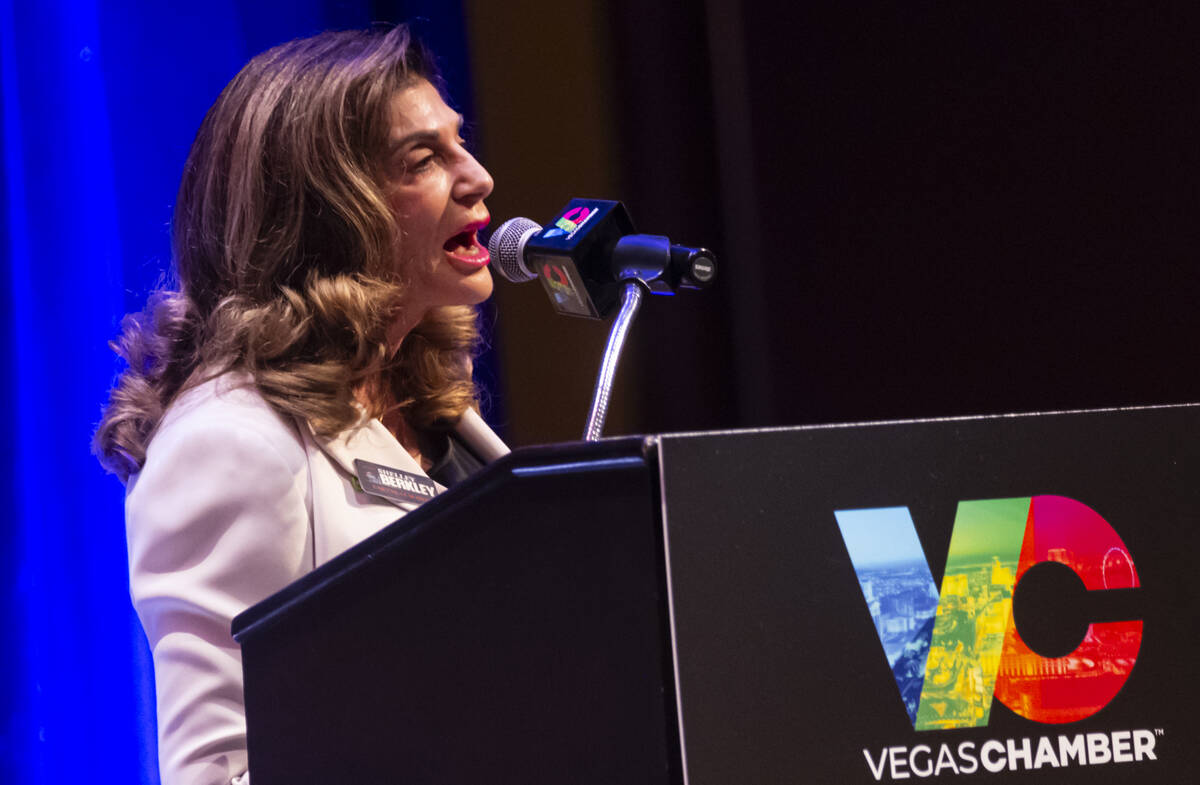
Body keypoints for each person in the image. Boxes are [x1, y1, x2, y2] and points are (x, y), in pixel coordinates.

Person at [93, 26, 508, 785]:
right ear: (328, 208)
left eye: (460, 143)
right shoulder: (229, 440)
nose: (476, 176)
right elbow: (217, 774)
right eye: (423, 159)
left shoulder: (432, 410)